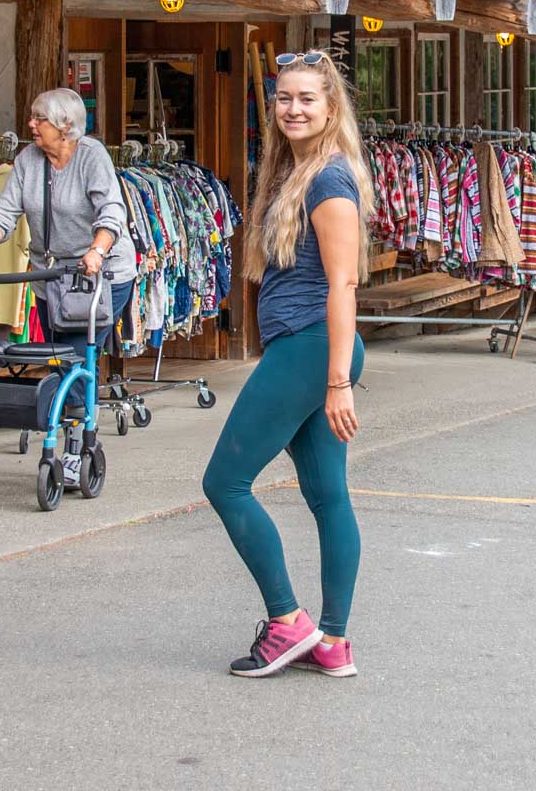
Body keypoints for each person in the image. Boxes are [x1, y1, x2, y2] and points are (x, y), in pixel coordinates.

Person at [202, 49, 374, 678]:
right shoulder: (294, 172)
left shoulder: (328, 181)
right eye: (284, 98)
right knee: (328, 495)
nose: (293, 109)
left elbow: (344, 285)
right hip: (306, 347)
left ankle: (287, 623)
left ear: (331, 108)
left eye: (307, 99)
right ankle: (332, 642)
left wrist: (336, 383)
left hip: (310, 348)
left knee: (224, 483)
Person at [0, 87, 137, 486]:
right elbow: (6, 209)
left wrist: (96, 251)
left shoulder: (92, 156)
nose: (30, 125)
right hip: (51, 277)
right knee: (60, 357)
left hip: (100, 274)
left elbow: (111, 209)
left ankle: (76, 449)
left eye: (37, 119)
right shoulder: (28, 159)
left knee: (76, 357)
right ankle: (68, 433)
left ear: (63, 126)